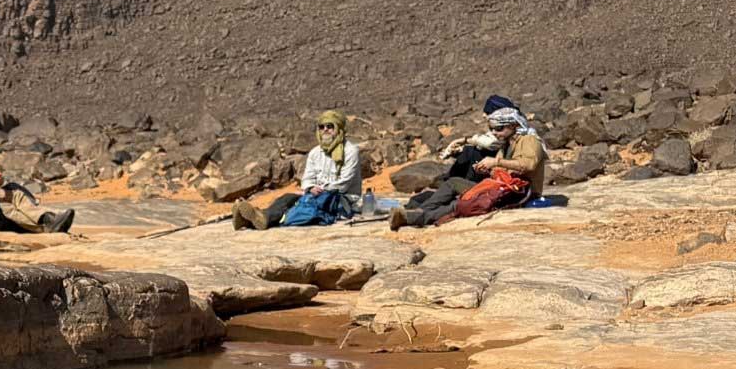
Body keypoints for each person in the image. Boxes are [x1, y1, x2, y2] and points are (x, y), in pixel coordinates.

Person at [390, 97, 550, 229]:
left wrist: (496, 161)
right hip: (501, 186)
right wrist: (486, 169)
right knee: (453, 184)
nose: (495, 133)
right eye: (492, 128)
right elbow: (502, 169)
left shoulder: (529, 140)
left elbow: (528, 165)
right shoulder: (508, 142)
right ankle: (419, 212)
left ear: (514, 125)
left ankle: (413, 217)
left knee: (461, 204)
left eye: (499, 128)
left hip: (519, 192)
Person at [232, 111, 366, 230]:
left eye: (330, 126)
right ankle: (256, 219)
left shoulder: (350, 151)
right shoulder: (315, 152)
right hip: (317, 195)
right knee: (287, 198)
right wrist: (310, 187)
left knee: (302, 209)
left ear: (339, 129)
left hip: (341, 199)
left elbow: (344, 183)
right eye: (321, 127)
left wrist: (320, 190)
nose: (325, 130)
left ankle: (255, 220)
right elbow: (307, 178)